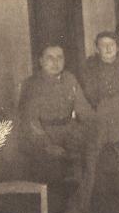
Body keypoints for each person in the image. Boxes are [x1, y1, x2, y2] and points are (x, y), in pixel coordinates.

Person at [18, 45, 94, 183]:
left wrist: (96, 128)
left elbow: (84, 110)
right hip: (43, 137)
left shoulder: (70, 79)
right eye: (50, 58)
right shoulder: (31, 85)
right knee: (52, 175)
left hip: (69, 132)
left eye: (60, 57)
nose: (56, 62)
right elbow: (31, 122)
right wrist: (47, 145)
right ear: (41, 61)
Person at [81, 31, 119, 108]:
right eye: (103, 45)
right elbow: (90, 95)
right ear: (97, 49)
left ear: (117, 48)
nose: (108, 48)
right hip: (99, 110)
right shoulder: (90, 67)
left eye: (111, 44)